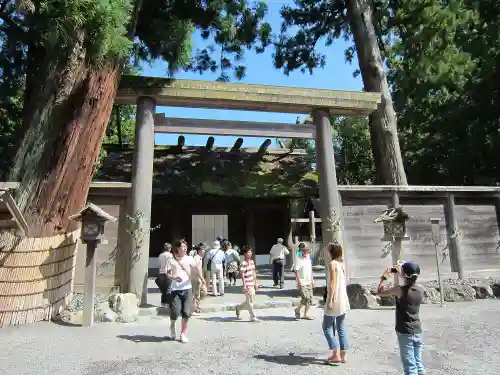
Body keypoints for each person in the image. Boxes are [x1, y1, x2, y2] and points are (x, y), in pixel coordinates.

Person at [376, 261, 425, 375]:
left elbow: (380, 292)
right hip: (417, 330)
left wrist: (385, 276)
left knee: (410, 367)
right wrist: (402, 274)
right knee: (418, 363)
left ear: (404, 275)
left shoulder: (399, 290)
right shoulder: (421, 289)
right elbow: (409, 284)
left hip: (405, 332)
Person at [165, 239, 199, 343]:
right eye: (183, 247)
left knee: (186, 312)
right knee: (175, 312)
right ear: (177, 248)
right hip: (175, 289)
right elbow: (167, 273)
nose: (185, 249)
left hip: (187, 288)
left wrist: (199, 277)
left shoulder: (189, 259)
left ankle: (183, 334)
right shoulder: (171, 260)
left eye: (186, 247)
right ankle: (172, 325)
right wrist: (174, 278)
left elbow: (196, 269)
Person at [323, 242, 350, 366]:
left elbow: (333, 283)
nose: (325, 251)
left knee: (327, 326)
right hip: (343, 299)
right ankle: (343, 354)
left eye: (327, 249)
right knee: (341, 326)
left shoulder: (332, 264)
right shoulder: (340, 264)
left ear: (331, 251)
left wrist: (330, 299)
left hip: (335, 299)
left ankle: (336, 353)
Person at [235, 246, 260, 322]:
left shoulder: (252, 262)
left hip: (252, 283)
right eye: (249, 252)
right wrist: (244, 284)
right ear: (245, 254)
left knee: (249, 301)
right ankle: (252, 316)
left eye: (251, 252)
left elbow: (254, 272)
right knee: (250, 302)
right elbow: (242, 274)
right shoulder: (243, 263)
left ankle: (238, 308)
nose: (250, 253)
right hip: (247, 284)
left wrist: (256, 282)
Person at [293, 243, 315, 320]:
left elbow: (310, 269)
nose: (306, 252)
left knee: (310, 299)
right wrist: (299, 282)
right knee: (305, 297)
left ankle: (306, 314)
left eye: (307, 250)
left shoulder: (309, 257)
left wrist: (312, 279)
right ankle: (297, 309)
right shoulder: (298, 258)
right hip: (302, 281)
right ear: (301, 251)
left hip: (309, 280)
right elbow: (296, 271)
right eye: (304, 250)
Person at [192, 244, 207, 314]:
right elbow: (197, 269)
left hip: (198, 278)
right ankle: (195, 307)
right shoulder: (197, 258)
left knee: (201, 293)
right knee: (197, 293)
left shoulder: (199, 258)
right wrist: (201, 278)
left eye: (204, 251)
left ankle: (196, 306)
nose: (204, 253)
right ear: (199, 251)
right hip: (196, 278)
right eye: (203, 251)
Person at [157, 242, 172, 307]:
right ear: (170, 248)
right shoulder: (170, 255)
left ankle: (163, 302)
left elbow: (159, 265)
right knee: (168, 289)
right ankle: (168, 303)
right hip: (167, 273)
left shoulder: (161, 255)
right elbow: (169, 265)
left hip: (161, 273)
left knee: (163, 289)